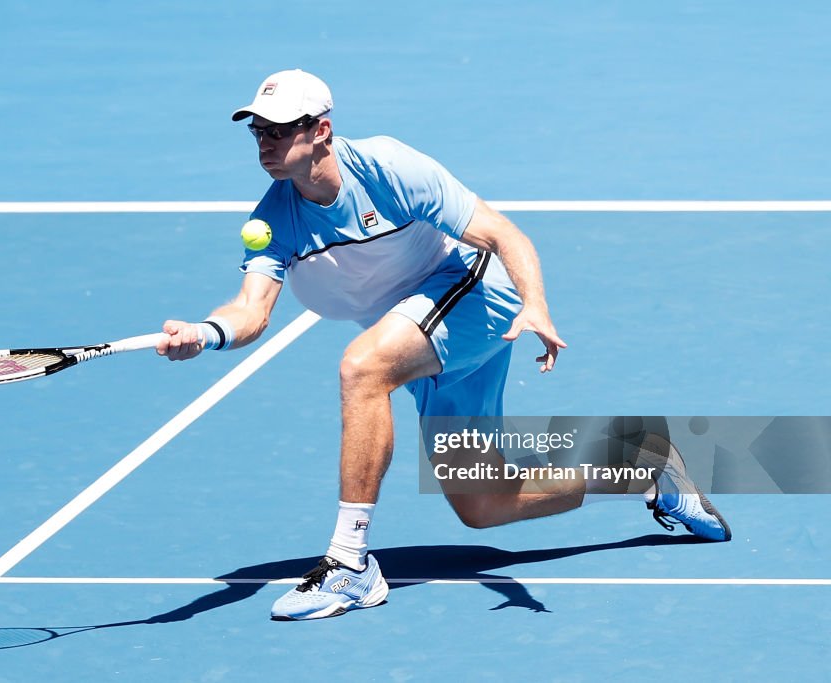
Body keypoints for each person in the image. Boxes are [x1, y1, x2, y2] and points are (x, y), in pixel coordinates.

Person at [156, 69, 731, 621]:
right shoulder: (273, 217)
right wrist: (206, 334)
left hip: (478, 298)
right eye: (258, 130)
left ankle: (348, 564)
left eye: (279, 129)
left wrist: (534, 302)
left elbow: (503, 232)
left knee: (362, 369)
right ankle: (643, 468)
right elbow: (249, 311)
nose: (265, 142)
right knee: (486, 505)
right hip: (420, 336)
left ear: (320, 130)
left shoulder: (388, 167)